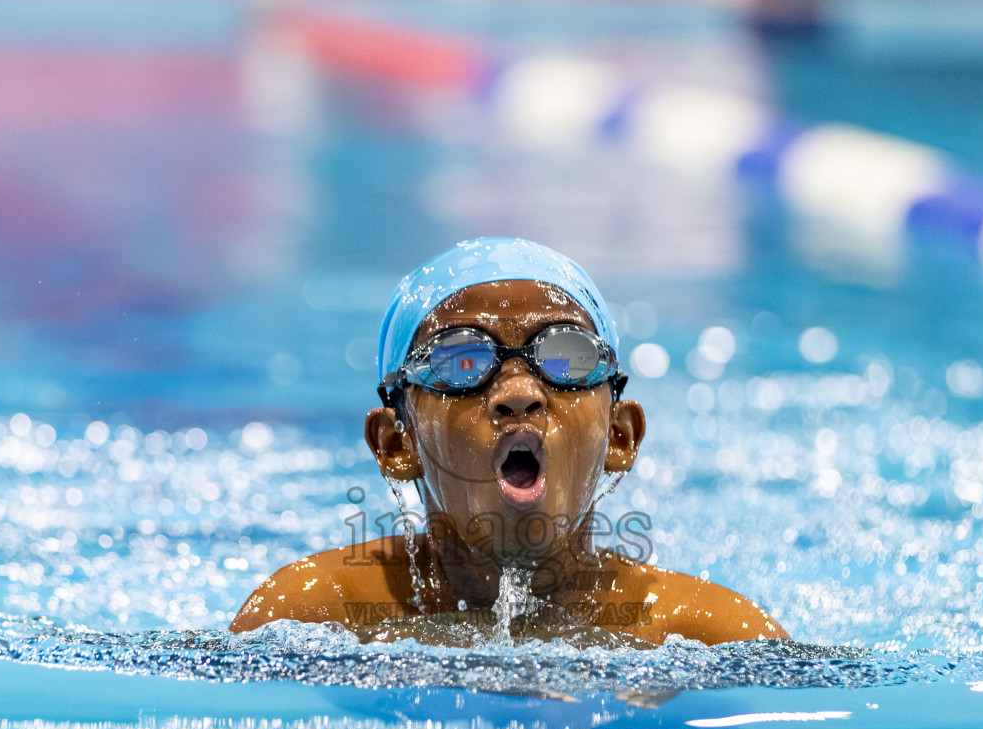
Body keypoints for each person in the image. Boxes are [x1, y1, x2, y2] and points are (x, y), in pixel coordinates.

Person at [230, 237, 786, 646]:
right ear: (396, 444)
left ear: (620, 435)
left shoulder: (707, 633)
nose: (518, 392)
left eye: (565, 357)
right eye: (462, 361)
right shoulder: (315, 616)